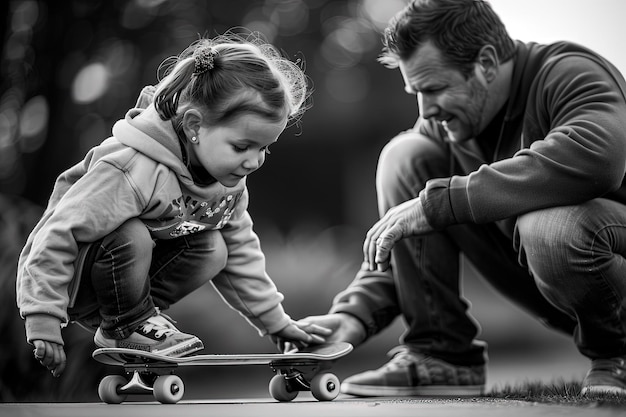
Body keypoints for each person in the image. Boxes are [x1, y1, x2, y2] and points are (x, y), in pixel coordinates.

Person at [294, 0, 626, 397]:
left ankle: (616, 356)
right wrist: (351, 316)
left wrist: (444, 203)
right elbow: (399, 237)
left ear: (486, 63)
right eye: (416, 91)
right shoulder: (446, 127)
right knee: (406, 155)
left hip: (605, 247)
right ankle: (440, 354)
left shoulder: (567, 73)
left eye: (434, 88)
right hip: (561, 285)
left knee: (548, 225)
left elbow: (597, 157)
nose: (426, 109)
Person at [16, 30, 330, 378]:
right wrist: (43, 314)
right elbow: (58, 231)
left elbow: (241, 252)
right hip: (79, 282)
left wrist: (276, 323)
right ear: (195, 125)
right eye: (243, 147)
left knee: (215, 245)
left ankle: (139, 322)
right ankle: (127, 324)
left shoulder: (228, 185)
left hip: (128, 287)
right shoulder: (132, 168)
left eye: (264, 148)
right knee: (131, 232)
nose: (254, 162)